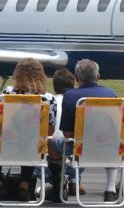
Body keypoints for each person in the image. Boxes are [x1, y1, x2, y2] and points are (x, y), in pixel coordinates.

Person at [49, 59, 118, 203]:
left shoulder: (70, 96)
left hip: (80, 147)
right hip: (108, 148)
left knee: (53, 140)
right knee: (113, 144)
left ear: (76, 77)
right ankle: (110, 189)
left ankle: (59, 186)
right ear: (98, 76)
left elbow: (67, 133)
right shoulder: (112, 95)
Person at [0, 58, 57, 202]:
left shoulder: (6, 94)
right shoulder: (48, 99)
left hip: (6, 144)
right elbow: (49, 131)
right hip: (33, 147)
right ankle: (25, 185)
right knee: (32, 142)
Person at [48, 68, 83, 196]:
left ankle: (58, 182)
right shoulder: (77, 101)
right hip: (76, 156)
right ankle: (74, 181)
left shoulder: (50, 100)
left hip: (51, 158)